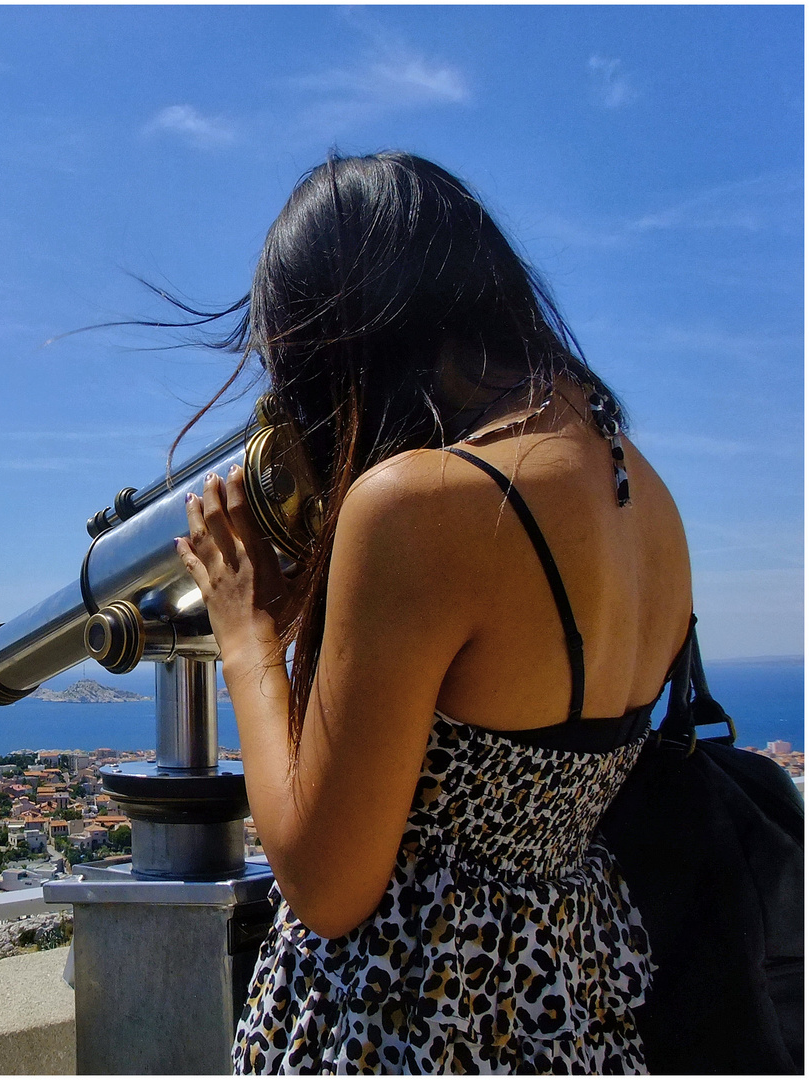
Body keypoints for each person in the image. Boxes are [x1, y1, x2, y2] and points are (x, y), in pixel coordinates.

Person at [172, 152, 691, 1073]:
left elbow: (327, 886)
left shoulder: (418, 507)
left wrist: (246, 628)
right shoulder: (639, 490)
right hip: (567, 1004)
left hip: (407, 1019)